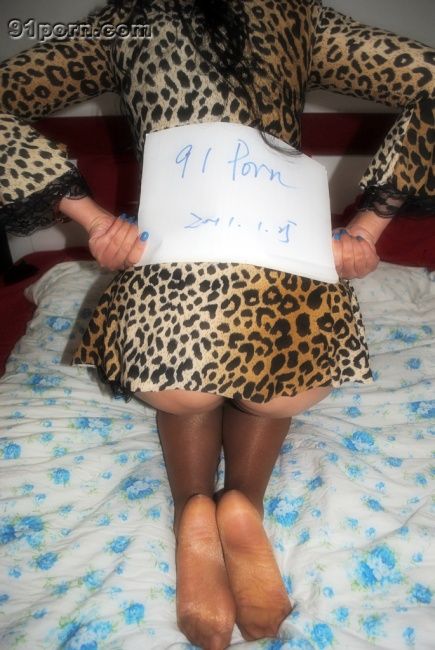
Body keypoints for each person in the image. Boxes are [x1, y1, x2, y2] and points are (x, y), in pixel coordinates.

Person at [1, 1, 434, 647]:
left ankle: (194, 512)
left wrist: (92, 219)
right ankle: (243, 504)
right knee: (271, 384)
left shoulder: (126, 21)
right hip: (284, 268)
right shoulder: (299, 16)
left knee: (185, 393)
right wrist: (368, 227)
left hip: (170, 271)